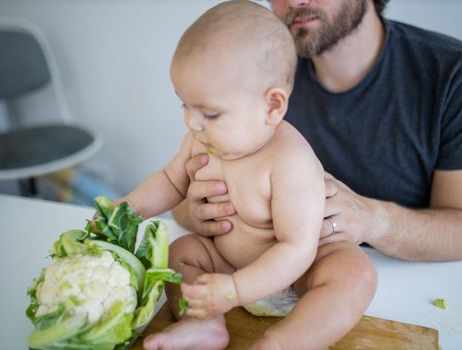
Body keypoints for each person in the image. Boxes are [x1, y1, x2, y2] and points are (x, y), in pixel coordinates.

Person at [109, 1, 377, 350]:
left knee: (355, 275)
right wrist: (128, 210)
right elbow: (170, 181)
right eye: (185, 106)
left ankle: (284, 342)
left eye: (210, 112)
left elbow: (297, 247)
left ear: (272, 106)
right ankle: (202, 325)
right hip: (228, 262)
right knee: (179, 254)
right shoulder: (201, 139)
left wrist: (236, 290)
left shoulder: (290, 161)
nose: (192, 123)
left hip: (301, 270)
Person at [174, 0, 462, 263]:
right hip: (267, 274)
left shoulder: (457, 73)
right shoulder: (255, 66)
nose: (294, 2)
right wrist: (197, 212)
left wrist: (374, 220)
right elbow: (179, 195)